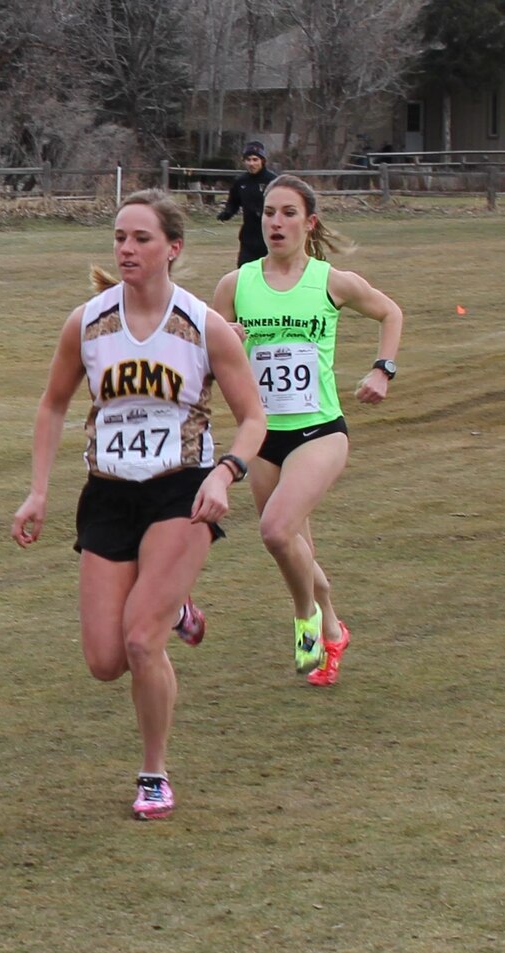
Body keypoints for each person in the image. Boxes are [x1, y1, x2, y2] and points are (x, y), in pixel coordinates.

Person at [11, 189, 266, 820]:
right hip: (109, 493)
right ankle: (173, 603)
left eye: (141, 238)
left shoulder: (202, 325)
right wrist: (39, 491)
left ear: (172, 249)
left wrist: (225, 475)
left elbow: (253, 418)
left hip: (182, 489)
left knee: (139, 641)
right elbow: (52, 404)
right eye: (120, 237)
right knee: (103, 661)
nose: (126, 248)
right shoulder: (89, 323)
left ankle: (154, 773)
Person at [210, 175, 404, 686]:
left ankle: (307, 623)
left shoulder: (332, 281)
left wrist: (382, 370)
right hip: (262, 436)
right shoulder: (236, 285)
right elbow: (211, 357)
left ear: (308, 222)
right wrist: (223, 342)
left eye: (288, 213)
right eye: (269, 212)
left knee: (275, 530)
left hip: (320, 431)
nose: (275, 221)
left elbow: (390, 312)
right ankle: (333, 627)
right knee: (292, 543)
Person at [218, 142, 279, 267]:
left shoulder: (273, 181)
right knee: (244, 271)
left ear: (262, 160)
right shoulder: (240, 181)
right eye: (248, 160)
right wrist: (227, 213)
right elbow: (233, 202)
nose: (251, 163)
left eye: (255, 159)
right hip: (249, 236)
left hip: (268, 234)